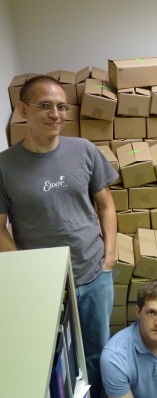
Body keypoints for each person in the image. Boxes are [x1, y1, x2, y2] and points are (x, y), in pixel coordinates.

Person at [0, 75, 118, 398]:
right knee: (55, 362)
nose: (56, 114)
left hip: (94, 276)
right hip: (45, 285)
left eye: (62, 107)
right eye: (46, 106)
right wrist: (29, 270)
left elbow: (106, 204)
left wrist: (109, 257)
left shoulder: (84, 150)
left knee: (98, 355)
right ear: (23, 109)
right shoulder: (4, 166)